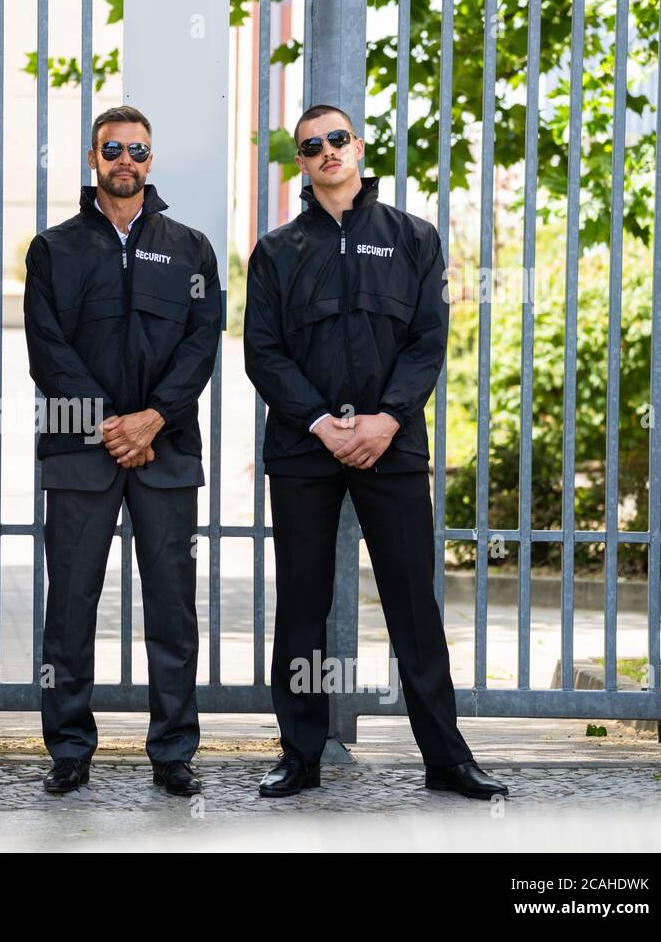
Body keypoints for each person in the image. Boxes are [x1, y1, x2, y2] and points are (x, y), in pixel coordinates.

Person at [243, 103, 508, 800]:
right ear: (299, 162)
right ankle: (299, 754)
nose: (327, 151)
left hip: (392, 446)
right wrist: (323, 425)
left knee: (412, 605)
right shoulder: (276, 251)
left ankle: (446, 759)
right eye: (312, 145)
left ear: (357, 147)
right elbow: (263, 354)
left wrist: (387, 420)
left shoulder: (414, 238)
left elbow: (428, 340)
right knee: (302, 601)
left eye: (338, 139)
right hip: (305, 450)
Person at [23, 105, 221, 796]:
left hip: (165, 451)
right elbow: (48, 349)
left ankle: (173, 752)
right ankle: (70, 747)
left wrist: (154, 420)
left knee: (173, 608)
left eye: (137, 149)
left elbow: (202, 344)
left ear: (151, 159)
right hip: (81, 449)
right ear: (92, 157)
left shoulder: (191, 247)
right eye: (113, 148)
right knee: (71, 606)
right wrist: (113, 424)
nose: (125, 160)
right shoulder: (54, 249)